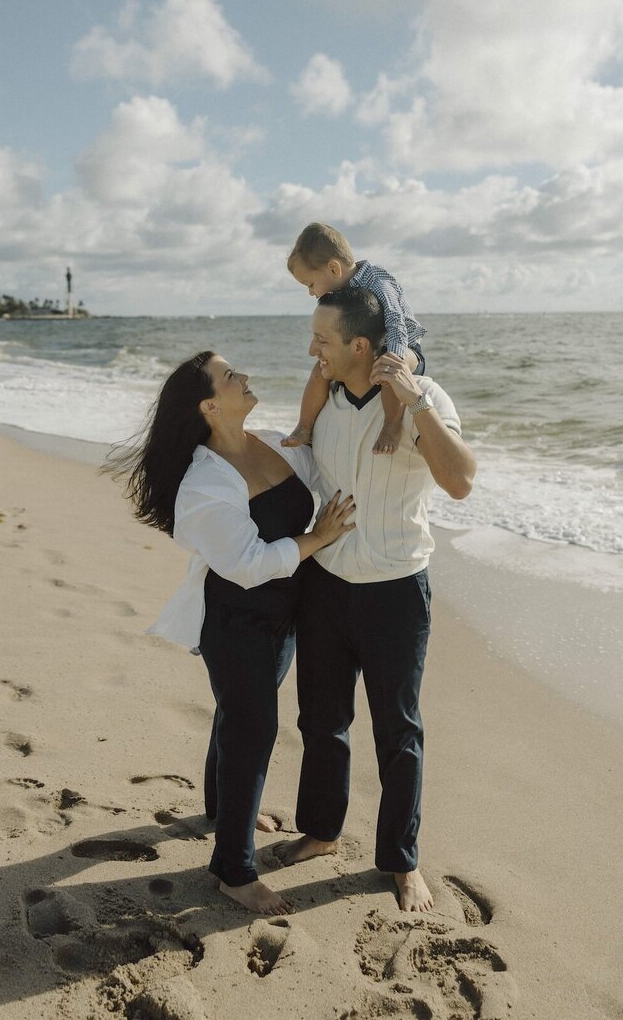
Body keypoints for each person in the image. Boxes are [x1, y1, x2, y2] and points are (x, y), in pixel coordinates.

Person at [115, 351, 355, 916]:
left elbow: (325, 470)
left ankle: (221, 812)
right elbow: (246, 564)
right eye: (230, 376)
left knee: (238, 716)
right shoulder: (204, 483)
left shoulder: (269, 441)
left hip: (281, 617)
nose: (244, 376)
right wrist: (316, 540)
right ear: (209, 405)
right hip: (236, 621)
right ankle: (234, 871)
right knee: (253, 728)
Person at [274, 288, 476, 913]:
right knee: (321, 719)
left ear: (360, 345)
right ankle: (323, 830)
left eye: (323, 340)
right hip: (327, 584)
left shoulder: (423, 396)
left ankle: (401, 861)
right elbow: (292, 465)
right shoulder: (325, 400)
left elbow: (461, 481)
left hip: (396, 590)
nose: (313, 350)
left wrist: (415, 406)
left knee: (398, 731)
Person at [283, 222, 426, 455]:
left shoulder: (378, 282)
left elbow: (396, 323)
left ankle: (391, 425)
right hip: (367, 348)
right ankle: (304, 427)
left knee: (388, 369)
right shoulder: (339, 293)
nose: (310, 292)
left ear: (333, 269)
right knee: (319, 370)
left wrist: (395, 357)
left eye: (310, 284)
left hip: (404, 345)